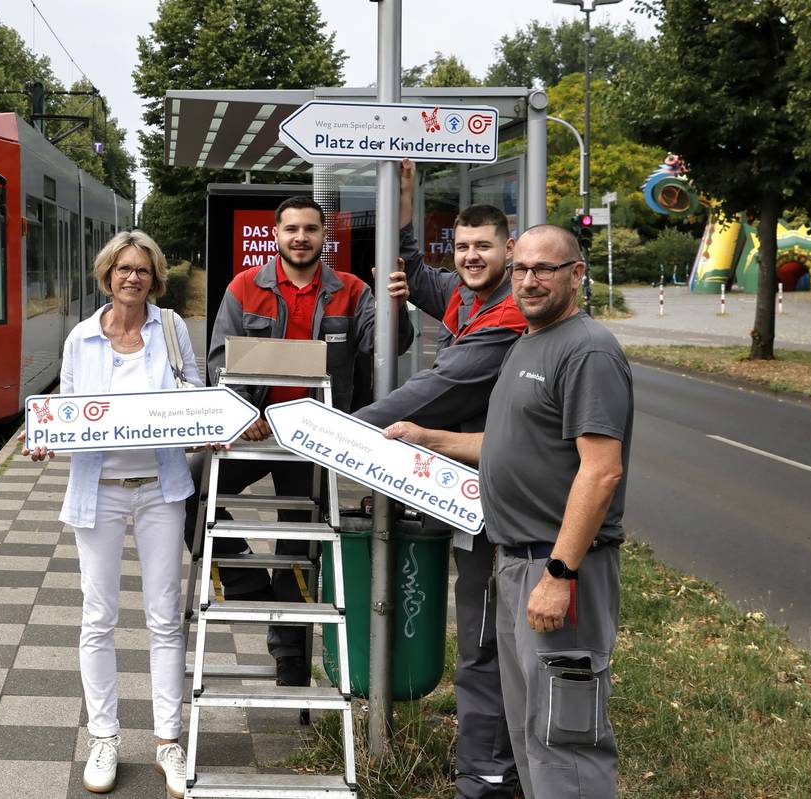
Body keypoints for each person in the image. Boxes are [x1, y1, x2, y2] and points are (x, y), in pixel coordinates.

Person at [386, 224, 632, 799]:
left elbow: (601, 472)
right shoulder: (527, 341)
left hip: (557, 567)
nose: (529, 280)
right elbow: (504, 445)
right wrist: (428, 436)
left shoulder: (588, 350)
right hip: (516, 562)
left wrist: (560, 574)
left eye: (544, 269)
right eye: (521, 268)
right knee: (528, 730)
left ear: (576, 274)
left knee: (566, 735)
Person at [185, 195, 413, 688]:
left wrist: (397, 306)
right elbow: (220, 358)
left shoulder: (352, 291)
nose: (301, 238)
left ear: (323, 237)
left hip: (313, 437)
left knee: (299, 541)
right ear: (276, 233)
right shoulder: (245, 287)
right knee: (182, 488)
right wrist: (246, 415)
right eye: (291, 229)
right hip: (255, 432)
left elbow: (384, 348)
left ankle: (289, 651)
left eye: (311, 229)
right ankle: (245, 583)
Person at [354, 159, 525, 798]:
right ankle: (492, 761)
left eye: (484, 246)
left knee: (484, 638)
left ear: (508, 247)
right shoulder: (463, 293)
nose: (471, 257)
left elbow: (431, 390)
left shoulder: (505, 319)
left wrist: (339, 433)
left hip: (501, 501)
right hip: (471, 494)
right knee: (482, 631)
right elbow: (414, 272)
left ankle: (487, 777)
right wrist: (402, 192)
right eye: (462, 247)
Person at [24, 230, 198, 798]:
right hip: (98, 489)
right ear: (107, 275)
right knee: (97, 617)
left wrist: (210, 428)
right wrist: (46, 438)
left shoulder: (171, 331)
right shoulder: (81, 339)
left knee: (164, 617)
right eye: (123, 268)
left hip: (159, 487)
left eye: (143, 270)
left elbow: (194, 397)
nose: (132, 278)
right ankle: (104, 737)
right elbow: (69, 410)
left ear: (155, 277)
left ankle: (168, 742)